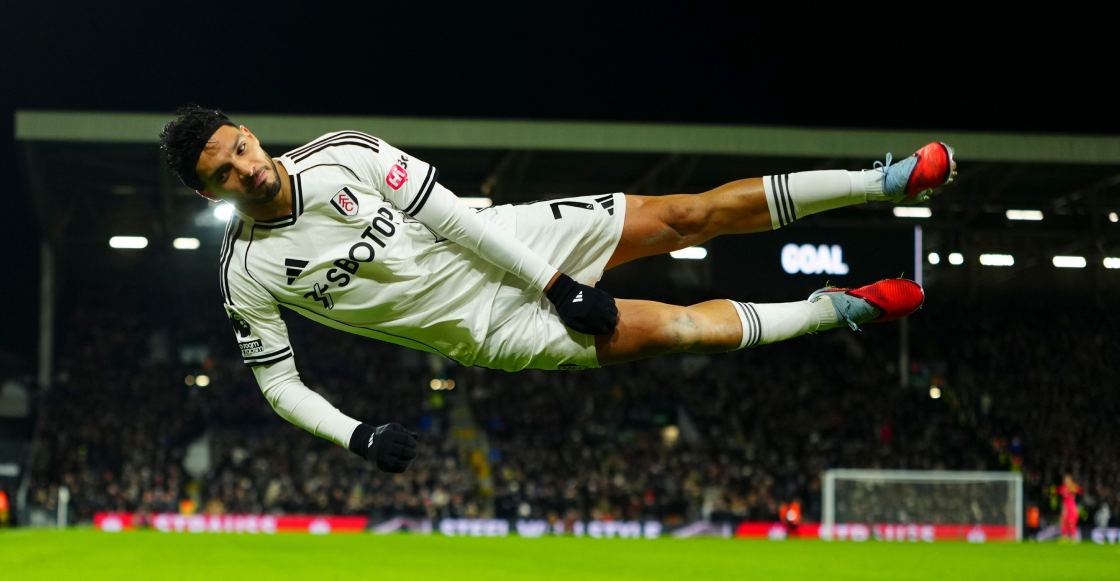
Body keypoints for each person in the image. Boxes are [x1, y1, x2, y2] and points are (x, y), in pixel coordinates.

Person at [159, 105, 955, 474]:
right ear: (211, 196)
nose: (244, 168)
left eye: (239, 147)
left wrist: (558, 279)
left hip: (514, 241)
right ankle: (836, 308)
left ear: (249, 133)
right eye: (222, 174)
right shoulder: (248, 270)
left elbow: (451, 217)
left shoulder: (345, 154)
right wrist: (355, 433)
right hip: (490, 330)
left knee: (688, 213)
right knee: (680, 331)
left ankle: (880, 180)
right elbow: (278, 384)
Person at [1058, 474, 1081, 542]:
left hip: (1071, 507)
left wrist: (1074, 488)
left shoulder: (1073, 486)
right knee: (1063, 522)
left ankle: (1073, 538)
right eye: (1065, 479)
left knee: (1072, 523)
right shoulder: (1062, 487)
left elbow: (1079, 491)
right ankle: (1064, 537)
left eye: (1068, 479)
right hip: (1065, 508)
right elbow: (1058, 492)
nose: (1066, 480)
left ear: (1070, 480)